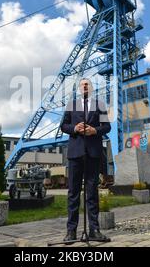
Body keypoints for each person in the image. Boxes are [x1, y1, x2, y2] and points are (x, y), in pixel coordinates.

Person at [60, 78, 111, 243]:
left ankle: (94, 230)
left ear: (92, 87)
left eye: (87, 84)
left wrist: (94, 130)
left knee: (92, 193)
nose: (85, 86)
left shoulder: (100, 105)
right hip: (75, 154)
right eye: (82, 84)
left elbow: (107, 127)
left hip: (93, 154)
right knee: (73, 193)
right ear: (79, 88)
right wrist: (74, 128)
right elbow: (63, 126)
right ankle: (71, 231)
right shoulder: (71, 105)